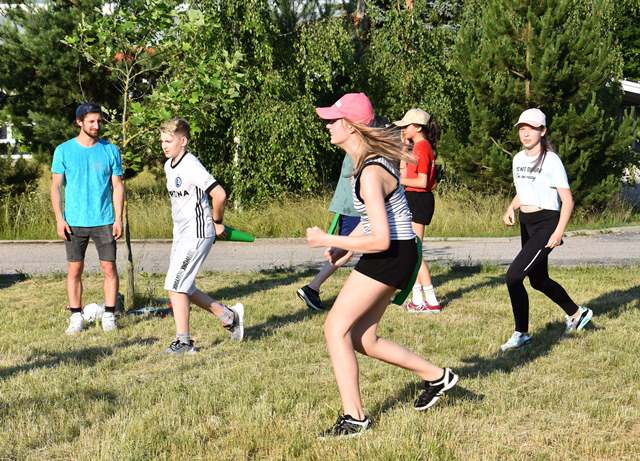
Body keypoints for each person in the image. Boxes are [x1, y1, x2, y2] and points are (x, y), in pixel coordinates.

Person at [306, 93, 458, 438]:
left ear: (351, 126)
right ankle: (437, 377)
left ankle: (355, 418)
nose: (328, 126)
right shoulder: (367, 163)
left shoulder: (370, 172)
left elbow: (380, 240)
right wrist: (343, 246)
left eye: (333, 120)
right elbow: (374, 221)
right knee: (364, 338)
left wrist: (328, 238)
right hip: (399, 253)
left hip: (391, 255)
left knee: (335, 329)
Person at [500, 108, 593, 351]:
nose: (525, 133)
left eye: (531, 128)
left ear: (543, 131)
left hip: (546, 223)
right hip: (527, 222)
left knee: (514, 276)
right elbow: (524, 190)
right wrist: (511, 207)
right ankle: (577, 313)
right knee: (538, 280)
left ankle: (521, 333)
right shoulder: (518, 159)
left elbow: (568, 201)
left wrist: (558, 232)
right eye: (522, 128)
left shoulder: (551, 161)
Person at [160, 118, 244, 354]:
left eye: (169, 141)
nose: (164, 146)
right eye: (162, 141)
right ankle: (227, 315)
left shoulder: (191, 164)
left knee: (176, 285)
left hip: (197, 234)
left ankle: (184, 343)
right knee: (180, 285)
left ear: (183, 141)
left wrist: (216, 222)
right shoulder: (169, 166)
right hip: (181, 235)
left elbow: (219, 194)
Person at [51, 102, 125, 334]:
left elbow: (118, 186)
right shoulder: (63, 150)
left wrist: (118, 219)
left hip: (104, 219)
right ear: (79, 122)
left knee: (109, 268)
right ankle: (76, 316)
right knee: (75, 270)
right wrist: (60, 219)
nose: (96, 125)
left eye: (99, 121)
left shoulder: (110, 150)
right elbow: (55, 187)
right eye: (91, 121)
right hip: (74, 221)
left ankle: (109, 315)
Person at [297, 157, 361, 312]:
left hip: (354, 206)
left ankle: (313, 288)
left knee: (347, 251)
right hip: (354, 207)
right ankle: (313, 288)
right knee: (346, 250)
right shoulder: (359, 149)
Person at [393, 108, 442, 313]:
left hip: (418, 199)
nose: (403, 129)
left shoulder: (422, 148)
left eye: (407, 125)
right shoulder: (418, 147)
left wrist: (397, 180)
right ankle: (417, 299)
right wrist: (404, 147)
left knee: (415, 251)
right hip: (413, 197)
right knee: (412, 250)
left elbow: (421, 182)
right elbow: (405, 171)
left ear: (418, 127)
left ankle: (431, 299)